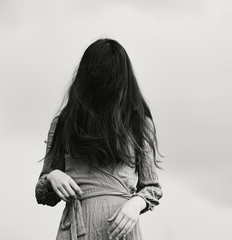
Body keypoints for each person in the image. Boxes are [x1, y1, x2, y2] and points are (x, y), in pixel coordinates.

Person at [35, 38, 163, 240]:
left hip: (122, 230)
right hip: (77, 229)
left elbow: (152, 187)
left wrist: (136, 203)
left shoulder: (138, 122)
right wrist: (53, 177)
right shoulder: (65, 122)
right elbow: (43, 195)